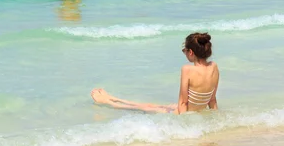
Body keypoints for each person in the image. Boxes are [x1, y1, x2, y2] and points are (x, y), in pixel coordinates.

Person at [91, 32, 219, 114]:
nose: (184, 53)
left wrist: (183, 127)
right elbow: (212, 101)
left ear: (191, 52)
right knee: (153, 105)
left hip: (182, 113)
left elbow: (183, 103)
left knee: (143, 108)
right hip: (192, 111)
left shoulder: (187, 69)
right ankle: (115, 98)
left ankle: (108, 102)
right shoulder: (214, 67)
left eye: (184, 50)